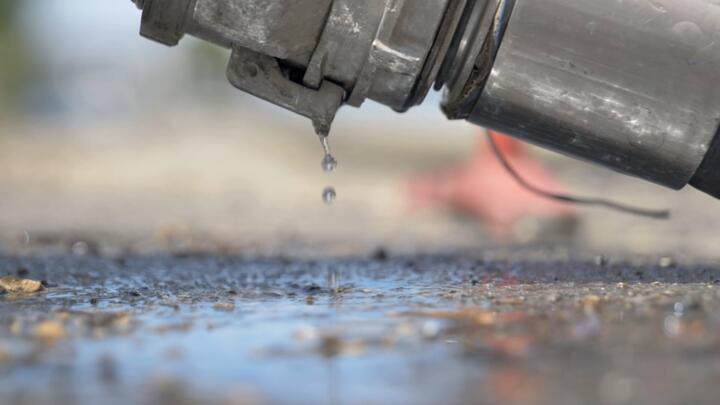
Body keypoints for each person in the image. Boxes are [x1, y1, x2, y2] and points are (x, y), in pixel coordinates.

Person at [406, 129, 577, 241]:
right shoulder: (533, 170)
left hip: (527, 219)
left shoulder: (479, 173)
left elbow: (432, 190)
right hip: (546, 216)